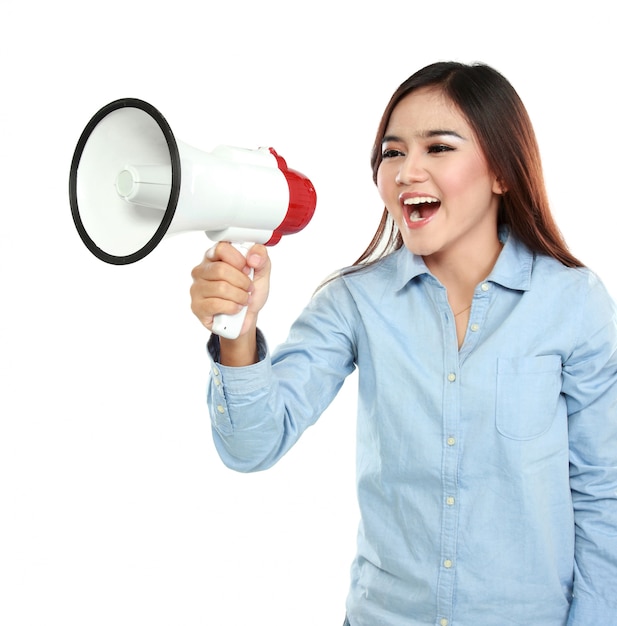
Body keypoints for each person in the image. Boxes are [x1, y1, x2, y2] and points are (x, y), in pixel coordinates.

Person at [189, 62, 617, 625]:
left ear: (502, 173)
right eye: (392, 153)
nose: (406, 171)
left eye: (438, 148)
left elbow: (602, 494)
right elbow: (252, 445)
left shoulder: (572, 303)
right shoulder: (353, 302)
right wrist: (239, 333)